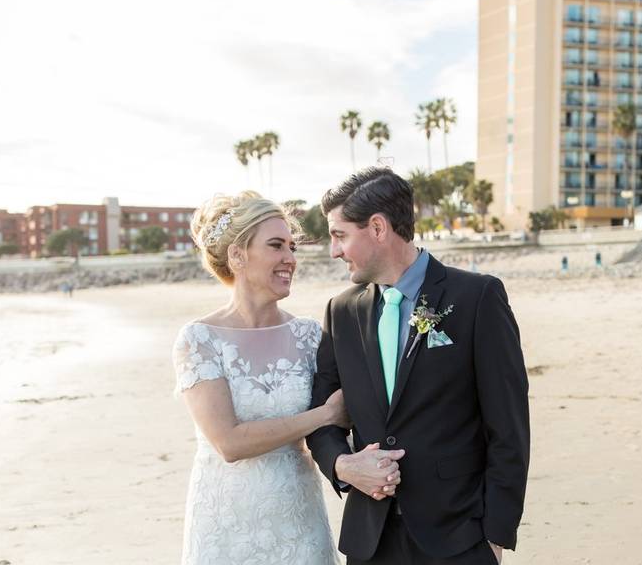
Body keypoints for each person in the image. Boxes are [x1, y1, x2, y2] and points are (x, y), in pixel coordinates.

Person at [307, 168, 530, 564]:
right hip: (369, 541)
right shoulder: (341, 311)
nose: (333, 251)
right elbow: (321, 416)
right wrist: (343, 465)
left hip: (460, 538)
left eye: (339, 235)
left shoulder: (477, 297)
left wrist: (495, 535)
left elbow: (509, 427)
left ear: (377, 228)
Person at [171, 192, 389, 565]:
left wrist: (355, 463)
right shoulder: (200, 339)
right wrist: (323, 415)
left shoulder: (308, 336)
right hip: (226, 524)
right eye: (276, 246)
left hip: (297, 520)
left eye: (292, 246)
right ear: (237, 255)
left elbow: (354, 413)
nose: (290, 258)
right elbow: (229, 443)